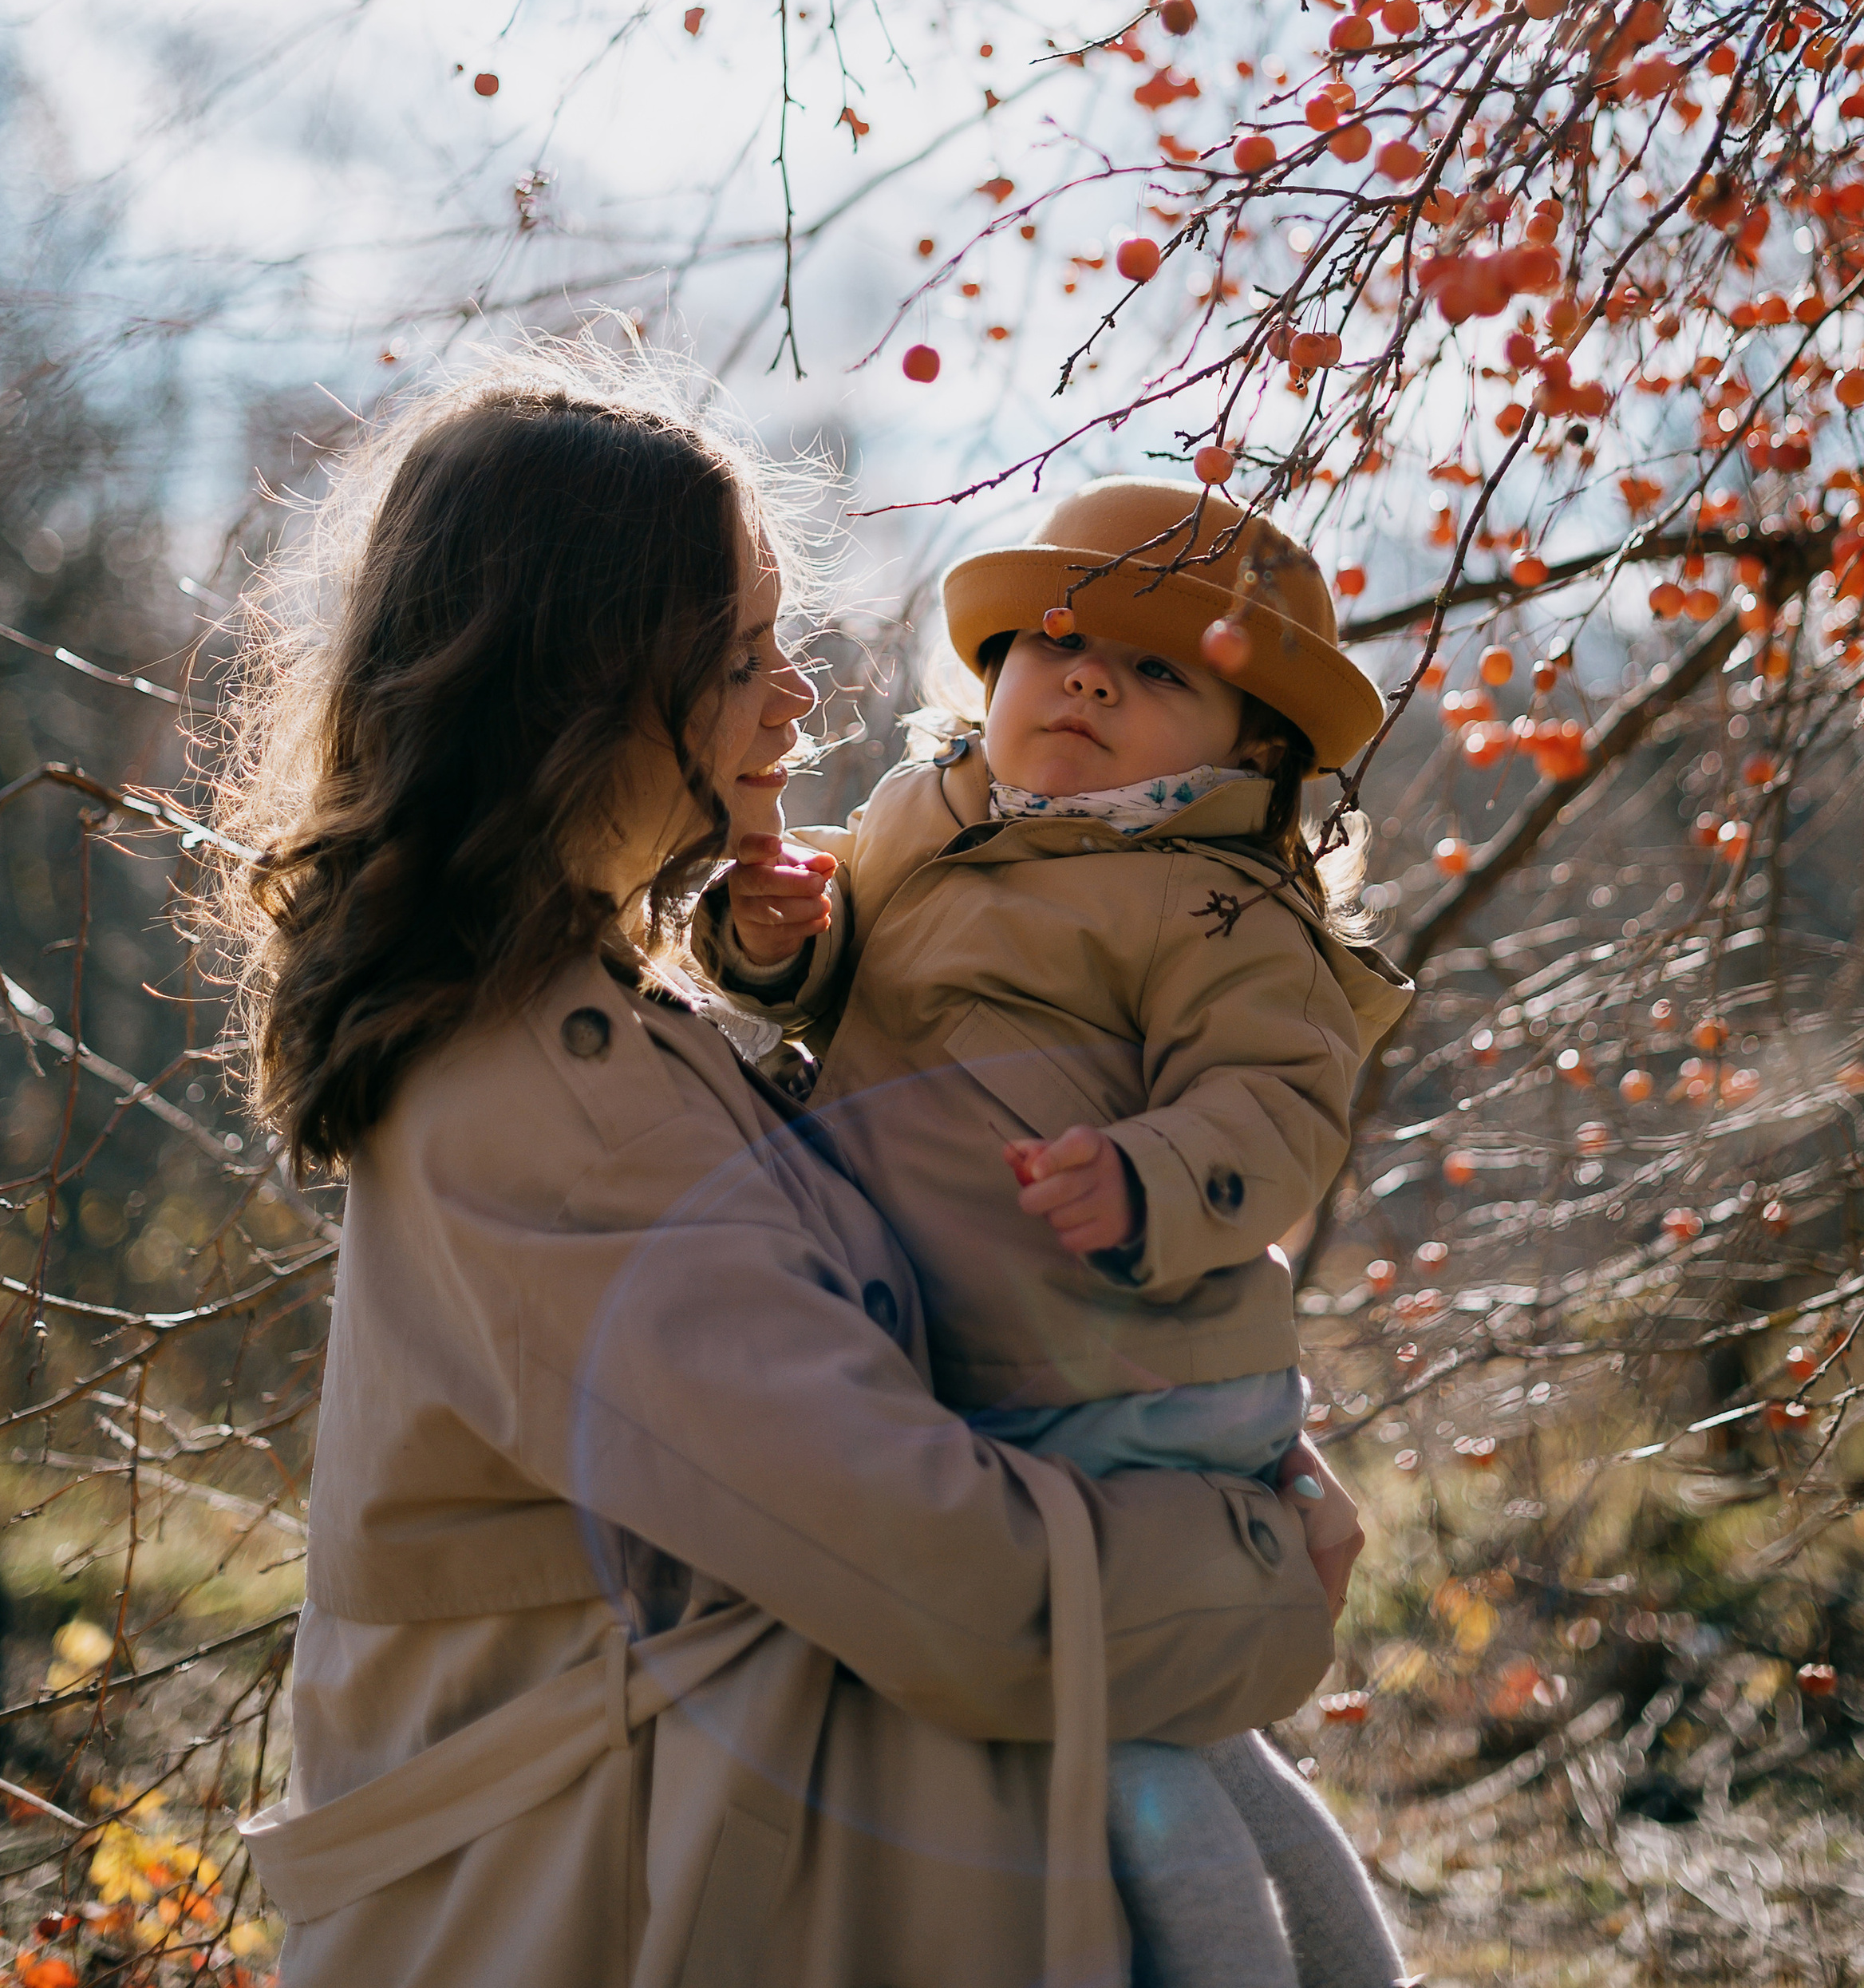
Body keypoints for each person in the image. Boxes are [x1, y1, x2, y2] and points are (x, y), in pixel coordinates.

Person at [215, 362, 1360, 1988]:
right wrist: (1257, 1569)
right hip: (591, 1908)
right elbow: (945, 1577)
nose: (795, 702)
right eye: (740, 654)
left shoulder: (617, 1017)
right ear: (588, 682)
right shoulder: (552, 1108)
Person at [702, 476, 1413, 1988]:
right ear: (998, 666)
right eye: (1062, 643)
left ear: (1255, 747)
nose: (1088, 678)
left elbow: (1283, 1104)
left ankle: (1252, 1963)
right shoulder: (918, 818)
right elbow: (850, 998)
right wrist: (775, 949)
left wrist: (1151, 1174)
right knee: (1134, 1722)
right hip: (999, 1356)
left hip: (1129, 1366)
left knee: (1110, 1736)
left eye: (1161, 673)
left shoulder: (1218, 906)